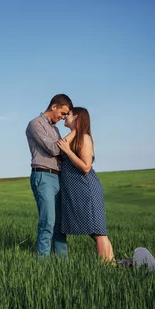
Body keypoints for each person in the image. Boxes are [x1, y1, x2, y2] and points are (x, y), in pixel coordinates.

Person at [56, 107, 115, 263]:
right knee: (93, 230)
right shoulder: (76, 136)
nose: (64, 117)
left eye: (68, 114)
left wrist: (68, 152)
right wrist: (74, 131)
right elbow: (59, 145)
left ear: (76, 117)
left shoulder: (85, 138)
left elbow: (86, 167)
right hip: (76, 190)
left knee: (97, 231)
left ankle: (107, 267)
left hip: (86, 189)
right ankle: (112, 263)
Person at [25, 94, 73, 257]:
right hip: (43, 176)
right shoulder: (35, 124)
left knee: (60, 224)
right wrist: (74, 132)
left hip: (59, 177)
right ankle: (43, 263)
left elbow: (63, 153)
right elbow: (53, 149)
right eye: (62, 113)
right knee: (48, 222)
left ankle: (62, 264)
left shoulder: (56, 129)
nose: (63, 117)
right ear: (54, 106)